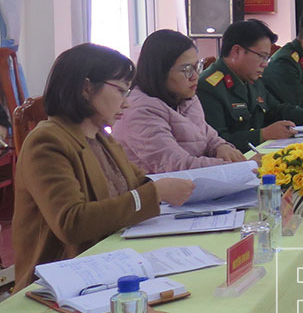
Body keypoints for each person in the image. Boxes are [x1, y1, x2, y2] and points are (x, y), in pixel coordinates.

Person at [13, 44, 194, 290]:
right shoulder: (47, 142)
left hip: (108, 264)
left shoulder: (100, 136)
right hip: (62, 282)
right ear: (86, 88)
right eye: (121, 91)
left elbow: (138, 183)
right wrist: (156, 193)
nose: (126, 103)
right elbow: (71, 223)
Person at [198, 19, 303, 152]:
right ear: (237, 51)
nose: (265, 64)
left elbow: (276, 110)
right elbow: (216, 143)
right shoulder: (209, 87)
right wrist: (262, 135)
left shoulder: (250, 77)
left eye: (267, 57)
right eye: (262, 56)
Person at [112, 29, 248, 173]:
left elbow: (208, 136)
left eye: (197, 67)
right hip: (161, 185)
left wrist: (222, 147)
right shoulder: (140, 111)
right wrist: (236, 167)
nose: (195, 76)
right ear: (161, 71)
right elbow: (178, 166)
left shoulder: (186, 98)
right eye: (187, 70)